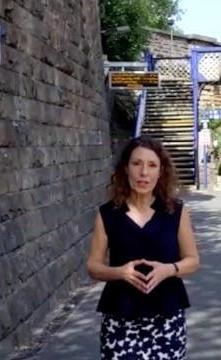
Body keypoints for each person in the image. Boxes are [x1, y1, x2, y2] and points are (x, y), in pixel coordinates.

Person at [86, 136, 200, 360]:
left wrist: (169, 269)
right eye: (137, 163)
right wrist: (119, 272)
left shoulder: (176, 211)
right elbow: (93, 266)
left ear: (161, 172)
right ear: (126, 168)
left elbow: (192, 260)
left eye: (152, 165)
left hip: (166, 317)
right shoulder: (107, 214)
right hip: (120, 318)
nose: (144, 172)